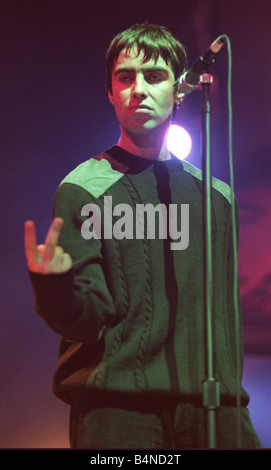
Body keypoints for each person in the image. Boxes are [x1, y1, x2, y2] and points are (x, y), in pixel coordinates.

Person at [24, 23, 261, 449]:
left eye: (153, 76)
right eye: (125, 77)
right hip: (118, 411)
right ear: (110, 92)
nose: (138, 89)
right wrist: (55, 286)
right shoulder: (84, 188)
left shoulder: (218, 197)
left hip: (216, 408)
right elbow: (85, 320)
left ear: (179, 90)